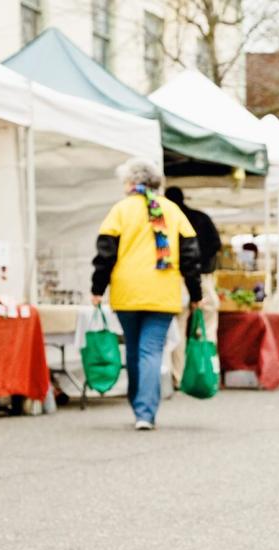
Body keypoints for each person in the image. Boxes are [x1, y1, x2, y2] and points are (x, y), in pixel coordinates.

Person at [91, 158, 202, 430]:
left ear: (131, 183)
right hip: (163, 292)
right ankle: (145, 411)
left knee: (133, 349)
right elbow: (191, 255)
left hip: (127, 291)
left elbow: (105, 254)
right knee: (150, 350)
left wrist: (97, 288)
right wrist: (195, 292)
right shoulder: (173, 211)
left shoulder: (120, 210)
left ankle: (137, 405)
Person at [165, 187, 221, 275]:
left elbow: (215, 243)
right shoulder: (201, 217)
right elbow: (216, 243)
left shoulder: (164, 220)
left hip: (177, 272)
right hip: (198, 271)